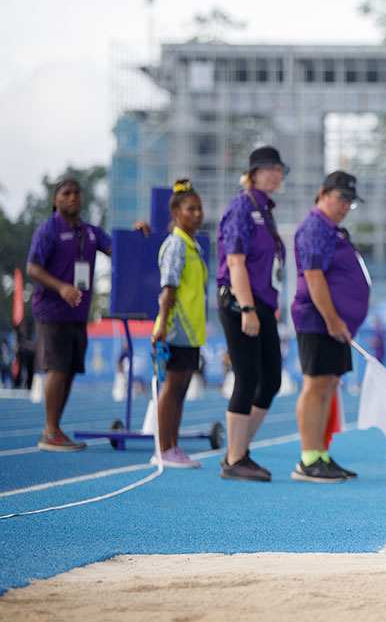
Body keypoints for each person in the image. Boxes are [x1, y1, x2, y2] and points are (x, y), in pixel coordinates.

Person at [26, 177, 148, 451]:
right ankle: (49, 431)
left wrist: (137, 235)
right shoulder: (48, 230)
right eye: (66, 193)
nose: (73, 197)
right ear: (55, 199)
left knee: (69, 369)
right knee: (57, 367)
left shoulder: (91, 232)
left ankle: (55, 428)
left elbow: (118, 251)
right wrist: (61, 288)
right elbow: (33, 268)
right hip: (52, 310)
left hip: (78, 312)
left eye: (77, 192)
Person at [289, 171, 369, 483]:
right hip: (318, 320)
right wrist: (333, 319)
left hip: (333, 324)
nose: (345, 206)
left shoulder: (331, 230)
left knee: (329, 385)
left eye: (350, 202)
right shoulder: (315, 226)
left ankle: (320, 454)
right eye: (341, 198)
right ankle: (309, 458)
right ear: (323, 194)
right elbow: (313, 276)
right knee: (316, 385)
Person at [216, 146, 288, 481]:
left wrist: (264, 307)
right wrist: (246, 308)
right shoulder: (242, 206)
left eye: (279, 169)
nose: (276, 173)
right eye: (270, 168)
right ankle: (234, 458)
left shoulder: (266, 209)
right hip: (240, 302)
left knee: (271, 379)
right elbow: (235, 261)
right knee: (246, 376)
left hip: (262, 303)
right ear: (254, 172)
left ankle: (240, 451)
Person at [149, 179, 207, 468]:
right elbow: (168, 287)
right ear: (176, 213)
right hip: (175, 327)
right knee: (171, 388)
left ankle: (173, 446)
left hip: (192, 330)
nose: (197, 213)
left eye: (199, 208)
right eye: (190, 209)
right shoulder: (176, 244)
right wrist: (161, 327)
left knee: (182, 388)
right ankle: (162, 448)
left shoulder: (193, 246)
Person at [14, 318, 35, 390]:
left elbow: (32, 344)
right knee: (20, 369)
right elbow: (18, 344)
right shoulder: (18, 333)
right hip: (21, 354)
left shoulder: (29, 333)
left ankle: (29, 385)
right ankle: (17, 384)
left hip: (29, 354)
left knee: (30, 370)